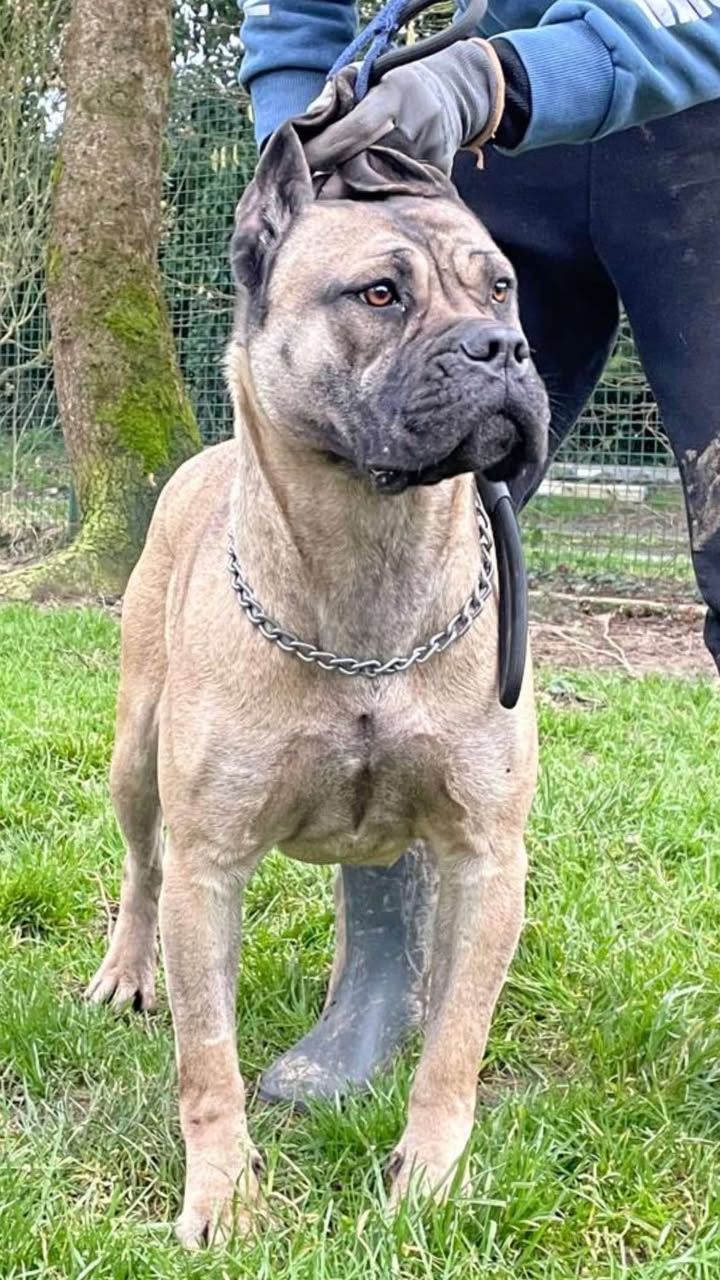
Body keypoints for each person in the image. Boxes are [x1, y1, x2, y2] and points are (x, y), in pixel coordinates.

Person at [238, 0, 720, 1106]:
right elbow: (298, 14)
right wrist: (293, 171)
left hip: (692, 105)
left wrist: (497, 75)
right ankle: (381, 978)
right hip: (474, 149)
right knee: (376, 521)